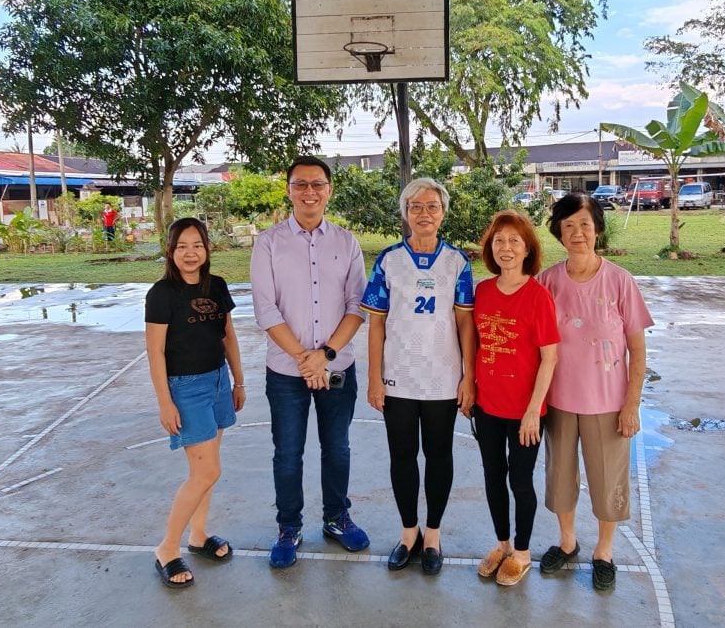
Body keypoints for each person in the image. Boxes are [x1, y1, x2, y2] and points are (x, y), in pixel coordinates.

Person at [250, 156, 369, 570]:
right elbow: (266, 309)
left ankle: (337, 519)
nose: (309, 192)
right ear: (289, 190)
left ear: (329, 190)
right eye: (300, 185)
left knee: (337, 448)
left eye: (317, 184)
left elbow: (358, 306)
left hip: (337, 367)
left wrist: (325, 356)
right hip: (287, 373)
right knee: (288, 453)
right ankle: (289, 527)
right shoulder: (268, 243)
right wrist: (306, 359)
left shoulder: (347, 242)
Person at [537, 193, 653, 591]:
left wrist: (631, 404)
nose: (577, 233)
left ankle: (604, 551)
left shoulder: (620, 281)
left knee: (608, 482)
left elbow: (637, 351)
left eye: (585, 224)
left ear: (598, 229)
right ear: (559, 232)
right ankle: (567, 542)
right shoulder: (547, 282)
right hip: (559, 402)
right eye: (568, 225)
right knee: (560, 478)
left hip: (608, 404)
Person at [361, 177, 476, 575]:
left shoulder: (458, 262)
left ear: (443, 213)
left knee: (440, 456)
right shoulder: (389, 260)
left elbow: (466, 325)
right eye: (415, 207)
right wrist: (375, 378)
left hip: (444, 378)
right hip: (399, 378)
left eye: (431, 206)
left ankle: (433, 534)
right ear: (405, 213)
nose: (423, 214)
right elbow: (375, 325)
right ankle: (408, 532)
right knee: (403, 457)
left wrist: (468, 376)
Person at [144, 217, 246, 589]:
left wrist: (239, 380)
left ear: (207, 249)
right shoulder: (162, 293)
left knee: (208, 467)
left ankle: (199, 536)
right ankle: (167, 549)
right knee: (206, 472)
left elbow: (228, 336)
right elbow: (155, 352)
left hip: (218, 381)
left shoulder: (216, 286)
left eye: (198, 245)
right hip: (185, 388)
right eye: (182, 246)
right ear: (170, 251)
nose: (191, 253)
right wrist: (165, 402)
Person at [471, 210, 560, 586]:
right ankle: (503, 543)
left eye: (514, 242)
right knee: (493, 477)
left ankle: (522, 552)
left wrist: (532, 413)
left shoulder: (538, 296)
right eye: (499, 241)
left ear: (527, 250)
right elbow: (474, 344)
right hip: (487, 405)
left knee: (520, 482)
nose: (505, 248)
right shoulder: (483, 291)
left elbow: (549, 357)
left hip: (525, 411)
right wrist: (470, 390)